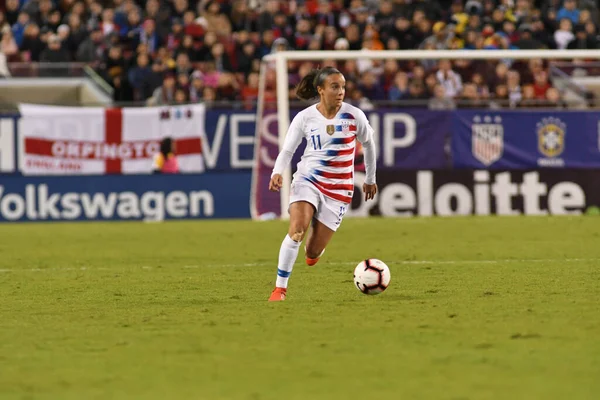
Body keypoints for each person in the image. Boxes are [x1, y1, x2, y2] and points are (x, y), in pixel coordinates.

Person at [267, 66, 377, 302]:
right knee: (297, 229)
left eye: (343, 87)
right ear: (321, 90)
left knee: (312, 251)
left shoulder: (354, 115)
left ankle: (313, 251)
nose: (341, 92)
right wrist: (277, 172)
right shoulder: (305, 117)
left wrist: (370, 179)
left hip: (338, 190)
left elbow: (368, 145)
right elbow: (288, 150)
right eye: (335, 87)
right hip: (308, 180)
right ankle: (280, 289)